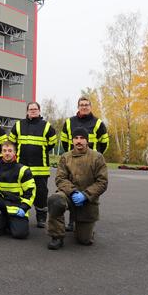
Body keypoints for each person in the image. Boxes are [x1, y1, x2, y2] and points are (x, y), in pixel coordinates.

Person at [47, 127, 108, 250]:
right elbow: (60, 178)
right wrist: (73, 192)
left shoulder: (97, 157)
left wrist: (85, 195)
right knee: (55, 200)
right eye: (76, 138)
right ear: (72, 141)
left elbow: (102, 182)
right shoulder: (65, 157)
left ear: (87, 140)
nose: (79, 141)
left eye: (82, 138)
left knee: (84, 240)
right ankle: (57, 236)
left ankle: (83, 228)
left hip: (87, 200)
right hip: (68, 195)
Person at [59, 96, 109, 231]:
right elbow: (64, 141)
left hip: (91, 163)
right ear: (78, 107)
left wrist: (97, 156)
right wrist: (69, 156)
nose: (84, 107)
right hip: (72, 162)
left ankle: (85, 222)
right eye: (82, 105)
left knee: (88, 192)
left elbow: (104, 142)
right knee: (71, 190)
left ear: (90, 107)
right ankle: (71, 222)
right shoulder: (69, 122)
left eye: (87, 104)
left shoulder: (98, 123)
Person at [8, 101, 57, 228]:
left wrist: (38, 151)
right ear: (27, 111)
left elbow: (52, 143)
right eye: (31, 109)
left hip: (40, 169)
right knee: (20, 192)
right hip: (21, 168)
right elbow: (11, 143)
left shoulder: (46, 126)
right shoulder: (18, 125)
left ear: (39, 111)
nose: (33, 111)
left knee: (41, 194)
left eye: (35, 109)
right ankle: (21, 214)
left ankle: (41, 217)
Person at [0, 140, 36, 239]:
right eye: (5, 150)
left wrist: (24, 208)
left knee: (20, 234)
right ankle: (0, 225)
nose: (7, 153)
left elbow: (30, 192)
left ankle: (9, 222)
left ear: (15, 153)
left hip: (17, 206)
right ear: (1, 153)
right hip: (1, 203)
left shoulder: (23, 170)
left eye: (10, 151)